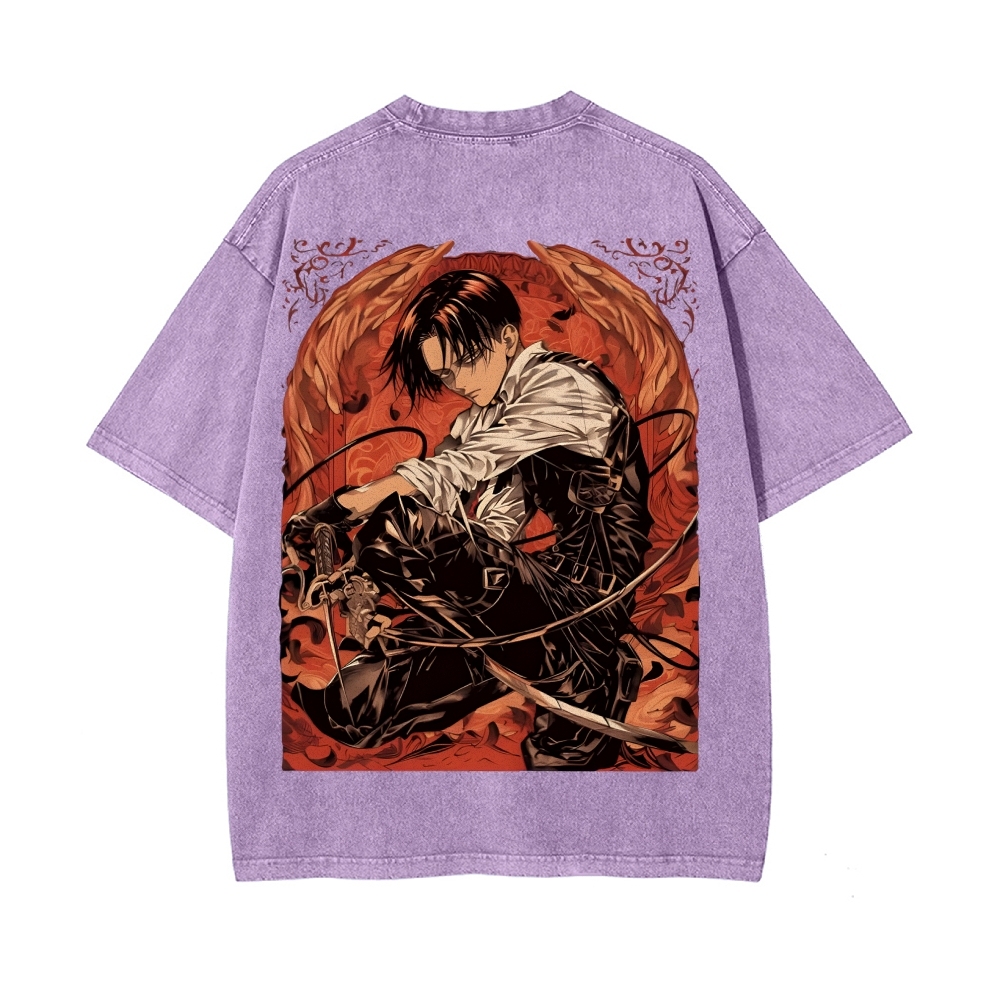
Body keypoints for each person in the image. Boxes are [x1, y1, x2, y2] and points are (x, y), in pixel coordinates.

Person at [283, 269, 654, 769]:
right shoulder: (483, 418)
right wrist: (367, 588)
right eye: (445, 375)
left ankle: (590, 667)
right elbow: (491, 532)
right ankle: (582, 676)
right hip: (541, 603)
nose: (460, 382)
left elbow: (466, 465)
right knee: (353, 706)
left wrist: (360, 500)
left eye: (467, 361)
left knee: (397, 530)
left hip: (590, 600)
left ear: (507, 339)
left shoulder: (564, 384)